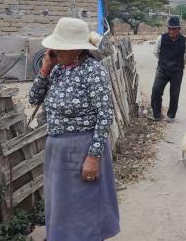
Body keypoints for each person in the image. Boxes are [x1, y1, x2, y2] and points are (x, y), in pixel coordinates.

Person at [28, 17, 119, 241]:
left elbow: (105, 115)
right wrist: (45, 69)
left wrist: (93, 157)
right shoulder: (57, 70)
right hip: (57, 150)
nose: (54, 50)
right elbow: (33, 98)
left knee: (85, 207)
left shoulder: (93, 72)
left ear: (77, 49)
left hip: (84, 148)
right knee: (61, 205)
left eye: (61, 46)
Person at [149, 17, 186, 121]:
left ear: (179, 29)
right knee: (156, 91)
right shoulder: (161, 38)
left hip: (177, 72)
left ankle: (171, 116)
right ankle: (157, 115)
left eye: (174, 29)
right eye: (169, 28)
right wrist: (163, 61)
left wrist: (180, 64)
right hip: (162, 70)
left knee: (174, 93)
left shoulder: (185, 41)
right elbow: (156, 52)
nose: (171, 31)